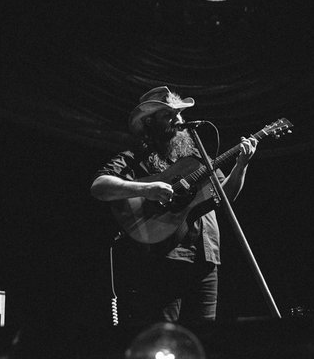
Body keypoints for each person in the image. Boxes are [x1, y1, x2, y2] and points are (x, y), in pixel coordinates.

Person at [91, 86, 257, 329]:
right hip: (166, 256)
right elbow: (99, 186)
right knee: (165, 336)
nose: (179, 121)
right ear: (150, 122)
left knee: (205, 335)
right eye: (170, 115)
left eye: (180, 114)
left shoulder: (196, 158)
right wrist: (145, 189)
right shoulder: (136, 157)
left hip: (206, 256)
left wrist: (241, 165)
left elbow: (225, 196)